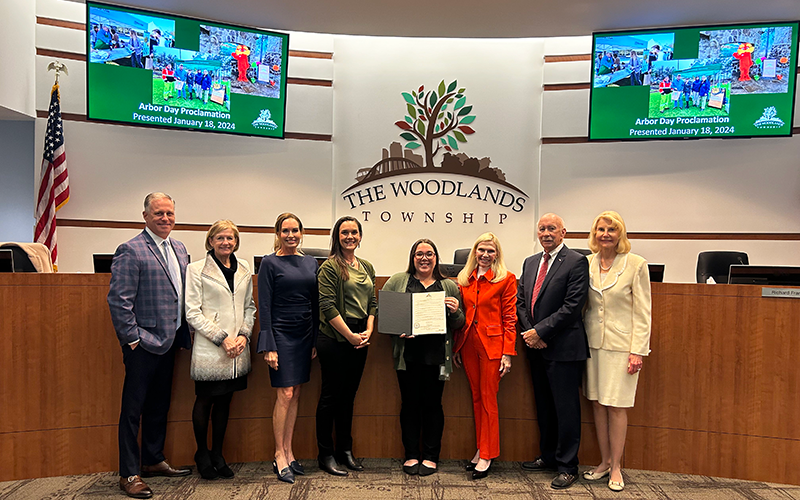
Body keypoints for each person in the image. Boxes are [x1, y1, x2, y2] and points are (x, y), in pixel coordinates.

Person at [108, 193, 192, 499]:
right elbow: (119, 301)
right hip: (142, 344)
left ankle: (153, 459)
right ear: (145, 216)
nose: (165, 218)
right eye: (159, 213)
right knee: (133, 410)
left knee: (160, 404)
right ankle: (129, 473)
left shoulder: (180, 248)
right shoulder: (131, 250)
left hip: (171, 341)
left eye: (170, 213)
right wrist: (132, 339)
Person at [381, 239, 465, 476]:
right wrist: (397, 327)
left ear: (436, 258)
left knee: (432, 406)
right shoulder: (399, 281)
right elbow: (383, 312)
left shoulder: (448, 286)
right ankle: (410, 455)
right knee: (409, 405)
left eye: (429, 254)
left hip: (437, 356)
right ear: (412, 257)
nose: (424, 258)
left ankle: (430, 456)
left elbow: (460, 323)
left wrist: (455, 310)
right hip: (407, 356)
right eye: (419, 254)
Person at [517, 213, 589, 490]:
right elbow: (521, 299)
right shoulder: (531, 261)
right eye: (542, 228)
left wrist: (541, 332)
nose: (546, 233)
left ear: (563, 232)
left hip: (563, 348)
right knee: (544, 405)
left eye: (552, 229)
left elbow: (573, 306)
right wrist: (530, 333)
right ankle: (547, 457)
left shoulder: (576, 261)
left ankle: (568, 466)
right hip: (535, 346)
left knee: (566, 408)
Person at [582, 211, 651, 492]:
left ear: (620, 234)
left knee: (617, 405)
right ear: (594, 234)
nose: (606, 234)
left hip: (622, 347)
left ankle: (617, 467)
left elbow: (643, 312)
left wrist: (638, 351)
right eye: (601, 229)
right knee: (597, 403)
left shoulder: (636, 265)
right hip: (591, 344)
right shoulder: (585, 263)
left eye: (612, 229)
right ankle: (604, 461)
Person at [184, 220, 255, 481]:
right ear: (210, 241)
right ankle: (201, 454)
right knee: (205, 401)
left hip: (237, 350)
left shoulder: (245, 267)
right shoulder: (196, 269)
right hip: (211, 349)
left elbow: (250, 307)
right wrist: (222, 339)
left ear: (236, 242)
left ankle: (218, 454)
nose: (226, 243)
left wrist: (244, 336)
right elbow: (192, 312)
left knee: (225, 401)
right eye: (220, 238)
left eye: (230, 238)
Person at [256, 213, 319, 484]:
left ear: (302, 233)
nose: (291, 235)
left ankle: (290, 451)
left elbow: (315, 304)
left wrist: (315, 339)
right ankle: (278, 454)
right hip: (280, 332)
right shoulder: (269, 263)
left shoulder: (311, 262)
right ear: (278, 233)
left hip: (305, 332)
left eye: (295, 230)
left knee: (296, 393)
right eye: (285, 231)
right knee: (285, 392)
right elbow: (265, 305)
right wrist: (268, 344)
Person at [453, 232, 517, 480]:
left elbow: (510, 318)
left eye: (491, 251)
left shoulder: (506, 279)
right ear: (474, 253)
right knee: (477, 397)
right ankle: (481, 448)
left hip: (493, 346)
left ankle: (488, 454)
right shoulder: (463, 279)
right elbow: (461, 315)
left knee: (489, 399)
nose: (485, 255)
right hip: (468, 343)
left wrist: (507, 353)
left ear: (497, 254)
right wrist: (457, 347)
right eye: (481, 250)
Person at [316, 216, 376, 476]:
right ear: (337, 237)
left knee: (348, 398)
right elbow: (327, 306)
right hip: (335, 337)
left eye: (354, 232)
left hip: (361, 336)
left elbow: (373, 302)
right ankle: (326, 454)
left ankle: (345, 451)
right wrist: (350, 335)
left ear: (360, 236)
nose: (349, 237)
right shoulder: (329, 267)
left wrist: (369, 328)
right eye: (344, 233)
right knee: (330, 398)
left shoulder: (366, 266)